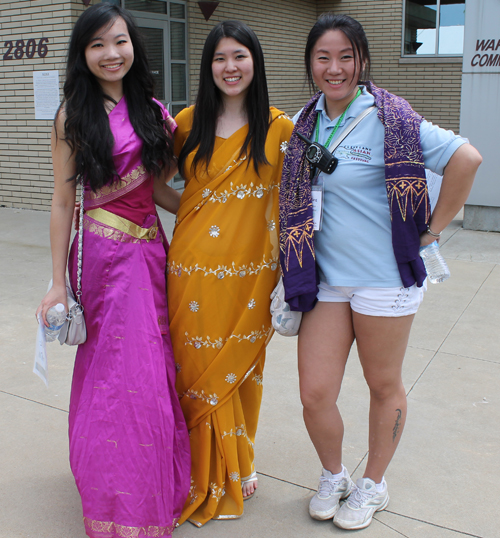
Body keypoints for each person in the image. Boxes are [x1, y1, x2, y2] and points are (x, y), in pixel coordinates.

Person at [279, 13, 482, 531]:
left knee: (382, 384)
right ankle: (334, 475)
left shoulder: (391, 116)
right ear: (310, 64)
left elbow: (467, 159)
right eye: (323, 57)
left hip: (383, 281)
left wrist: (432, 231)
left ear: (362, 60)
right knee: (315, 392)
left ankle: (373, 485)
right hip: (325, 280)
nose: (335, 68)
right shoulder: (305, 123)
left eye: (346, 56)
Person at [35, 4, 190, 537]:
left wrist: (211, 220)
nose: (111, 53)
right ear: (83, 54)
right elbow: (61, 203)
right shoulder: (72, 117)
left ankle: (148, 484)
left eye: (119, 41)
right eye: (97, 44)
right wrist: (58, 280)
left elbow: (162, 189)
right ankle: (114, 497)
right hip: (104, 259)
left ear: (134, 46)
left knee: (153, 371)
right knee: (118, 374)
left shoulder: (152, 110)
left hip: (151, 254)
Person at [167, 20, 294, 527]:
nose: (230, 67)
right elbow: (153, 185)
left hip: (252, 274)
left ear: (255, 62)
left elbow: (295, 207)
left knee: (242, 367)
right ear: (208, 67)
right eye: (220, 58)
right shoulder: (186, 122)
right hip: (193, 267)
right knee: (195, 368)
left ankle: (239, 460)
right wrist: (200, 211)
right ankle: (202, 468)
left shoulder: (281, 128)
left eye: (239, 56)